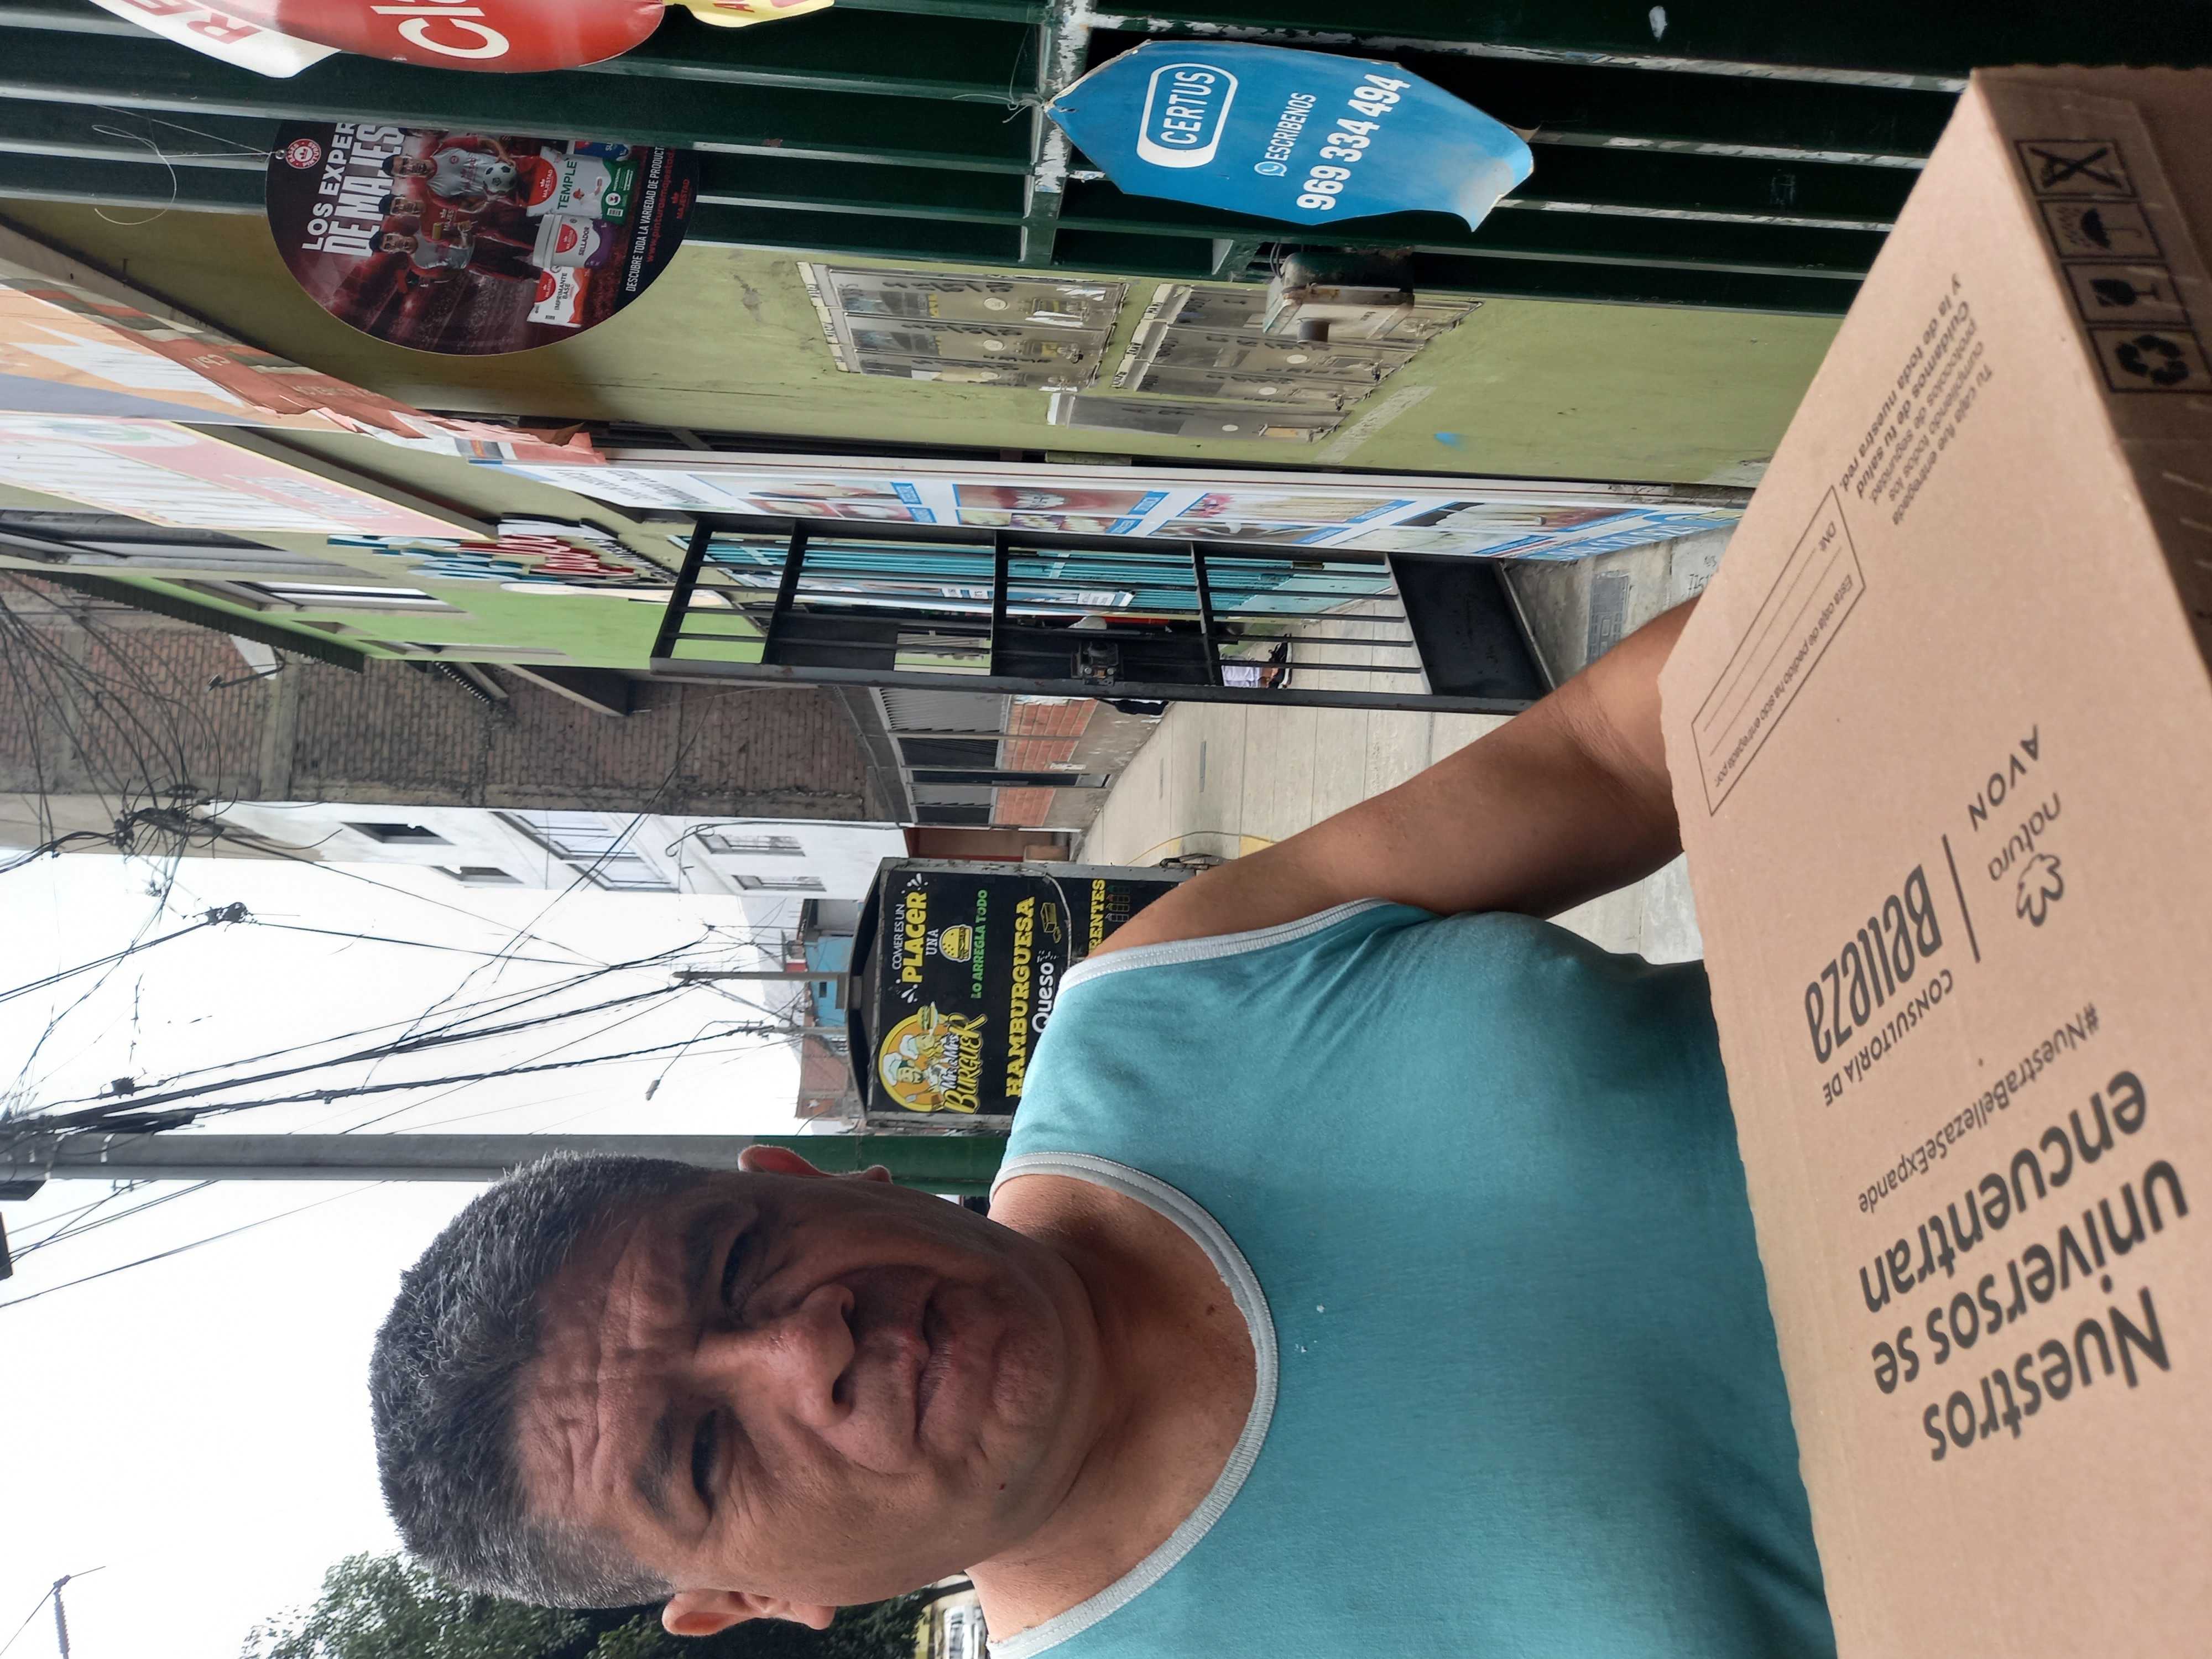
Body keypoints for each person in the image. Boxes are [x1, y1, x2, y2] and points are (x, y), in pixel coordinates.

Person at [369, 599, 1837, 1658]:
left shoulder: (1169, 1002)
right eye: (704, 1456)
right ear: (751, 1602)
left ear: (808, 1177)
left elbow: (1610, 754)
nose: (806, 1351)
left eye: (741, 1262)